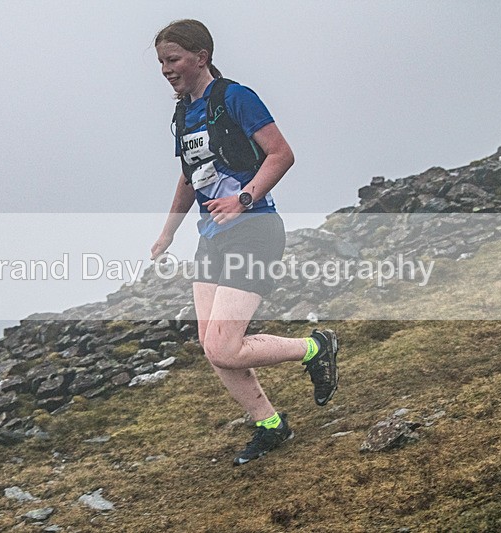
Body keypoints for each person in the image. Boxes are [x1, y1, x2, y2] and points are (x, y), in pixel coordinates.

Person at [150, 19, 339, 466]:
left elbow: (281, 153)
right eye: (160, 62)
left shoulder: (236, 98)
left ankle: (316, 347)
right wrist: (169, 231)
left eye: (173, 59)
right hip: (211, 239)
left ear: (202, 56)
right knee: (212, 345)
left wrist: (245, 197)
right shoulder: (182, 113)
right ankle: (270, 425)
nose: (165, 69)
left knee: (224, 345)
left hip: (254, 229)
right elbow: (190, 174)